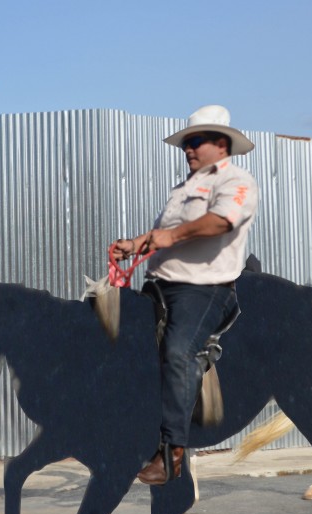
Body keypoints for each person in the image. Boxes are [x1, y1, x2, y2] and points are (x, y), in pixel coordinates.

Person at [110, 105, 259, 485]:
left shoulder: (237, 180)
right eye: (185, 143)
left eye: (195, 142)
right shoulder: (183, 189)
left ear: (221, 145)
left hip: (205, 289)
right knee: (107, 339)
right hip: (159, 285)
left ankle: (173, 451)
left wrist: (170, 236)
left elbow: (221, 221)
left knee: (178, 351)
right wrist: (134, 245)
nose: (188, 149)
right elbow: (164, 236)